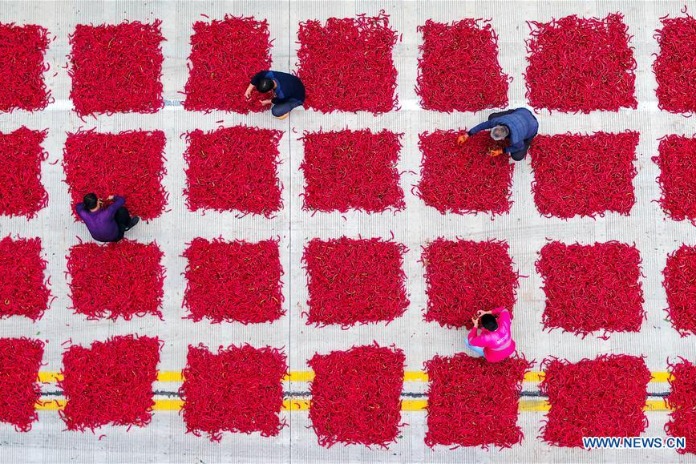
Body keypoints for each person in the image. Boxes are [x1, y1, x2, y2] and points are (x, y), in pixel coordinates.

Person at [457, 108, 538, 161]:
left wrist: (501, 151)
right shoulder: (498, 121)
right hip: (523, 112)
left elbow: (519, 147)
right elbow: (484, 125)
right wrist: (467, 135)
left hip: (533, 126)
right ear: (498, 126)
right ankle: (515, 117)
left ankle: (527, 139)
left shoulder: (516, 140)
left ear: (503, 138)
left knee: (517, 156)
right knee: (491, 117)